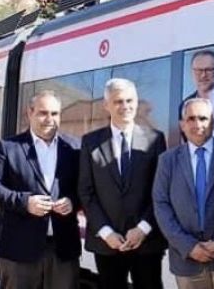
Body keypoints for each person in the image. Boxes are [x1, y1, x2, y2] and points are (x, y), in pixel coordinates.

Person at [78, 78, 167, 289]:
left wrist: (143, 228)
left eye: (130, 100)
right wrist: (106, 232)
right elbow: (86, 191)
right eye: (118, 101)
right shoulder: (90, 142)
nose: (125, 106)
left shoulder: (155, 139)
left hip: (147, 242)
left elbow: (161, 190)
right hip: (107, 245)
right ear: (106, 105)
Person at [0, 91, 81, 288]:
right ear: (29, 113)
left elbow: (86, 188)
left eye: (55, 114)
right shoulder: (8, 147)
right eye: (43, 113)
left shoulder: (74, 148)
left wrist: (73, 201)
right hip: (19, 249)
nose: (50, 119)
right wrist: (25, 202)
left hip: (63, 249)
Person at [153, 98, 214, 289]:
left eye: (203, 118)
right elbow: (161, 205)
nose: (197, 124)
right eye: (191, 118)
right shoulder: (167, 160)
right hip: (187, 262)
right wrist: (188, 246)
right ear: (182, 125)